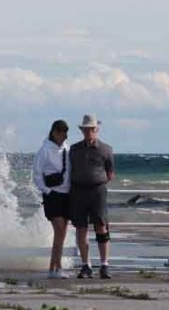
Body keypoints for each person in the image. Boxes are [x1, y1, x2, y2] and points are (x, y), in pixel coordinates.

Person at [68, 114, 114, 279]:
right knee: (81, 228)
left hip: (97, 191)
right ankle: (86, 265)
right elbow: (70, 170)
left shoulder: (106, 149)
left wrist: (96, 181)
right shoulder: (74, 149)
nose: (89, 133)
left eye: (92, 129)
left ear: (97, 129)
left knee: (101, 226)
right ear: (82, 130)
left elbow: (110, 173)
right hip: (79, 191)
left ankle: (104, 265)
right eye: (86, 130)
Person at [33, 119, 71, 279]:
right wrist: (47, 191)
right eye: (61, 132)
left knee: (62, 232)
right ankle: (58, 267)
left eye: (66, 132)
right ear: (54, 132)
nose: (64, 136)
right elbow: (36, 174)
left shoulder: (67, 149)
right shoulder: (44, 150)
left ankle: (52, 267)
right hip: (53, 195)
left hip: (67, 194)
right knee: (59, 230)